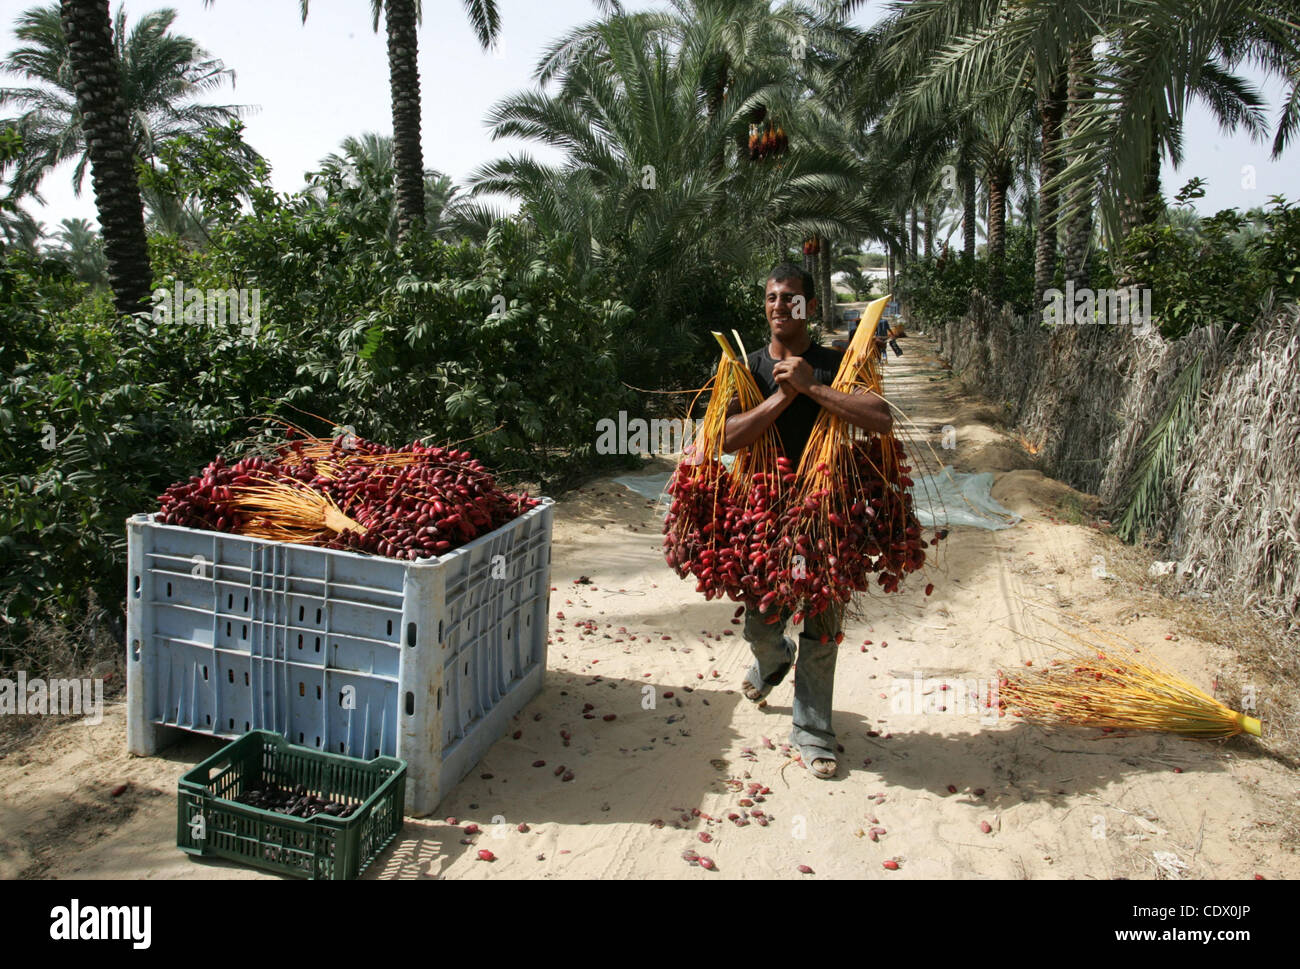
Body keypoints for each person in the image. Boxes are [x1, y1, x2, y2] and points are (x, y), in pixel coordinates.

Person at [722, 263, 893, 779]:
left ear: (809, 307)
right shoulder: (746, 368)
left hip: (828, 509)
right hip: (765, 510)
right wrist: (780, 397)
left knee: (823, 627)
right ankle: (772, 659)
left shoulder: (835, 363)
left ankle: (814, 732)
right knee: (761, 620)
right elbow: (726, 438)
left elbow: (880, 418)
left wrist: (811, 387)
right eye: (772, 297)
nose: (780, 306)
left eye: (791, 298)